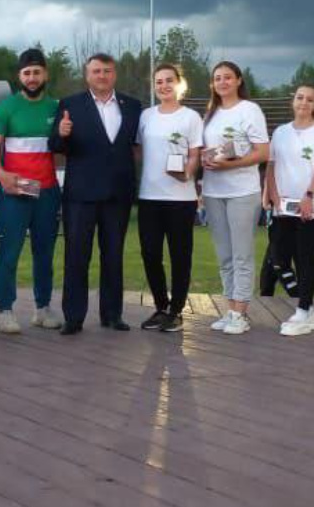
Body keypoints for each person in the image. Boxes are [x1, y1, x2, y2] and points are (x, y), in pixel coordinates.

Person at [51, 53, 143, 334]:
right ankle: (73, 317)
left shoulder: (132, 106)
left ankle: (112, 314)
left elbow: (135, 147)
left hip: (118, 194)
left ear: (114, 74)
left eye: (107, 70)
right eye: (96, 71)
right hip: (81, 194)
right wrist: (62, 133)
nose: (102, 75)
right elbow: (55, 145)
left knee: (113, 256)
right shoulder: (70, 105)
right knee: (76, 256)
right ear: (87, 74)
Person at [0, 48, 62, 333]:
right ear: (19, 76)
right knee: (9, 253)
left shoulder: (56, 107)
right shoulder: (7, 107)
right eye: (27, 73)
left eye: (36, 72)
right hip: (14, 193)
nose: (32, 78)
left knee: (45, 253)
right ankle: (5, 310)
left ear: (45, 74)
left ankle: (43, 308)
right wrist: (1, 175)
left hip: (47, 192)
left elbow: (63, 148)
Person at [198, 61, 270, 335]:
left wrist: (231, 165)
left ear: (239, 80)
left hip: (242, 191)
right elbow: (207, 150)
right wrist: (205, 159)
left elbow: (262, 152)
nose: (222, 82)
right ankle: (230, 310)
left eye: (228, 77)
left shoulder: (250, 110)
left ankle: (241, 313)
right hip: (214, 191)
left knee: (242, 254)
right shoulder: (210, 113)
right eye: (217, 78)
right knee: (225, 255)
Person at [135, 64, 203, 333]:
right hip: (149, 196)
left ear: (179, 83)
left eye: (169, 80)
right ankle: (161, 306)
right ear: (154, 86)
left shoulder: (191, 117)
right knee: (150, 253)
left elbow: (195, 154)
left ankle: (176, 311)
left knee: (180, 256)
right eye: (159, 81)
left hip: (181, 199)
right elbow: (137, 151)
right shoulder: (146, 116)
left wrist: (187, 173)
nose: (164, 85)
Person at [263, 85, 314, 337]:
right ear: (292, 101)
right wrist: (273, 197)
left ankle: (304, 310)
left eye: (310, 99)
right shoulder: (280, 132)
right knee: (280, 257)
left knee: (305, 257)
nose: (304, 102)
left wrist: (309, 195)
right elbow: (271, 167)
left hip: (310, 206)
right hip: (283, 208)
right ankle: (308, 310)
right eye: (300, 97)